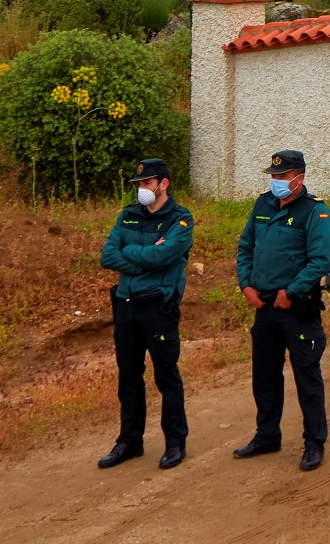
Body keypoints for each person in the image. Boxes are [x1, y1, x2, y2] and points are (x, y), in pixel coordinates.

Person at [234, 149, 330, 471]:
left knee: (307, 377)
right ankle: (267, 436)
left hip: (297, 309)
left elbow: (321, 260)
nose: (276, 181)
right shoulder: (263, 205)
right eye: (273, 176)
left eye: (282, 176)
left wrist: (291, 292)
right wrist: (246, 285)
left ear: (299, 178)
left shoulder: (314, 211)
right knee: (264, 377)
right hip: (264, 306)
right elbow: (246, 247)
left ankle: (314, 443)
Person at [97, 156, 194, 470]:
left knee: (166, 375)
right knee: (128, 377)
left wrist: (130, 252)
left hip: (157, 307)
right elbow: (108, 256)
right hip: (126, 305)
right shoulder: (127, 216)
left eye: (147, 183)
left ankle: (175, 443)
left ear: (163, 184)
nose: (141, 188)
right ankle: (130, 441)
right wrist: (145, 258)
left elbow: (165, 255)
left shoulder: (180, 219)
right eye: (138, 183)